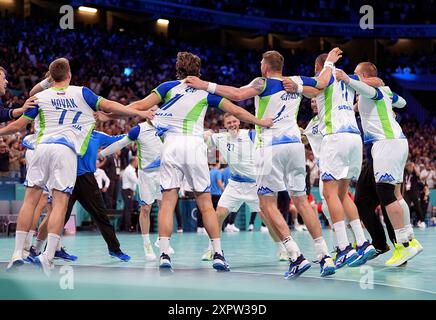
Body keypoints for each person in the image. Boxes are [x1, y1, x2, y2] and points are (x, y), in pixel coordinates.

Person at [186, 49, 341, 278]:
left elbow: (237, 94)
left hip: (270, 147)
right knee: (301, 201)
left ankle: (295, 255)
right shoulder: (295, 81)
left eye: (261, 62)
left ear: (266, 66)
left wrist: (204, 84)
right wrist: (329, 62)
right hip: (295, 146)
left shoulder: (263, 82)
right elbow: (322, 84)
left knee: (267, 204)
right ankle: (324, 256)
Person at [1, 58, 152, 274]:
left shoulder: (40, 96)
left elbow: (18, 125)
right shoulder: (82, 93)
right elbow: (109, 106)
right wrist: (139, 113)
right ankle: (49, 256)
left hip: (41, 148)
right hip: (65, 151)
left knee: (30, 201)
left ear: (51, 76)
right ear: (69, 74)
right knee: (60, 205)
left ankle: (17, 253)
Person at [126, 51, 273, 271]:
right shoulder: (205, 91)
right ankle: (218, 254)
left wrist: (110, 112)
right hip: (194, 146)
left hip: (171, 147)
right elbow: (236, 110)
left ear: (178, 70)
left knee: (167, 203)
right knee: (205, 204)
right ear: (198, 71)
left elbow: (139, 105)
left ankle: (164, 254)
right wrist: (260, 121)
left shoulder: (167, 87)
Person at [285, 52, 377, 270]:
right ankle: (362, 241)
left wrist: (296, 86)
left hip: (335, 136)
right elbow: (374, 82)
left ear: (319, 66)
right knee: (344, 195)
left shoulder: (324, 77)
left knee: (329, 194)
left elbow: (315, 87)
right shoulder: (349, 79)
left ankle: (344, 248)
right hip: (355, 137)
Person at [336, 64, 423, 266]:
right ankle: (409, 238)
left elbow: (368, 88)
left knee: (386, 194)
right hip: (396, 142)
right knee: (396, 194)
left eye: (358, 74)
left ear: (364, 76)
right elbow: (402, 103)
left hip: (386, 144)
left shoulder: (371, 89)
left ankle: (403, 244)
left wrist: (350, 80)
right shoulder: (383, 92)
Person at [100, 117, 163, 261]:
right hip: (146, 174)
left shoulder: (167, 125)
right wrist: (102, 154)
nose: (154, 113)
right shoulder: (138, 130)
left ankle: (163, 241)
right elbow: (121, 144)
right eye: (151, 109)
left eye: (156, 109)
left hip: (163, 172)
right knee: (146, 208)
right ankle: (147, 244)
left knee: (164, 207)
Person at [201, 113, 261, 259]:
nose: (232, 124)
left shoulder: (251, 135)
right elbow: (203, 138)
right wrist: (205, 132)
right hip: (234, 184)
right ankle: (213, 249)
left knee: (268, 218)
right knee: (218, 215)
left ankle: (284, 249)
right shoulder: (221, 137)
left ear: (239, 122)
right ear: (225, 125)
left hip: (254, 185)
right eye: (229, 123)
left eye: (234, 121)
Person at [404, 162, 426, 228]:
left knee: (417, 207)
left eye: (410, 166)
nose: (409, 167)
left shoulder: (414, 173)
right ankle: (408, 223)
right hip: (407, 192)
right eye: (408, 166)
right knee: (406, 207)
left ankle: (422, 221)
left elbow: (419, 175)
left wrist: (414, 167)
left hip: (414, 192)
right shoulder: (405, 173)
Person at [121, 157, 139, 232]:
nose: (138, 163)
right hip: (127, 191)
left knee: (127, 208)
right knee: (128, 209)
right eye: (137, 161)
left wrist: (133, 190)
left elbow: (134, 182)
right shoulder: (129, 170)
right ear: (134, 162)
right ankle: (128, 227)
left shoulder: (131, 170)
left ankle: (124, 226)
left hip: (129, 191)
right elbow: (136, 181)